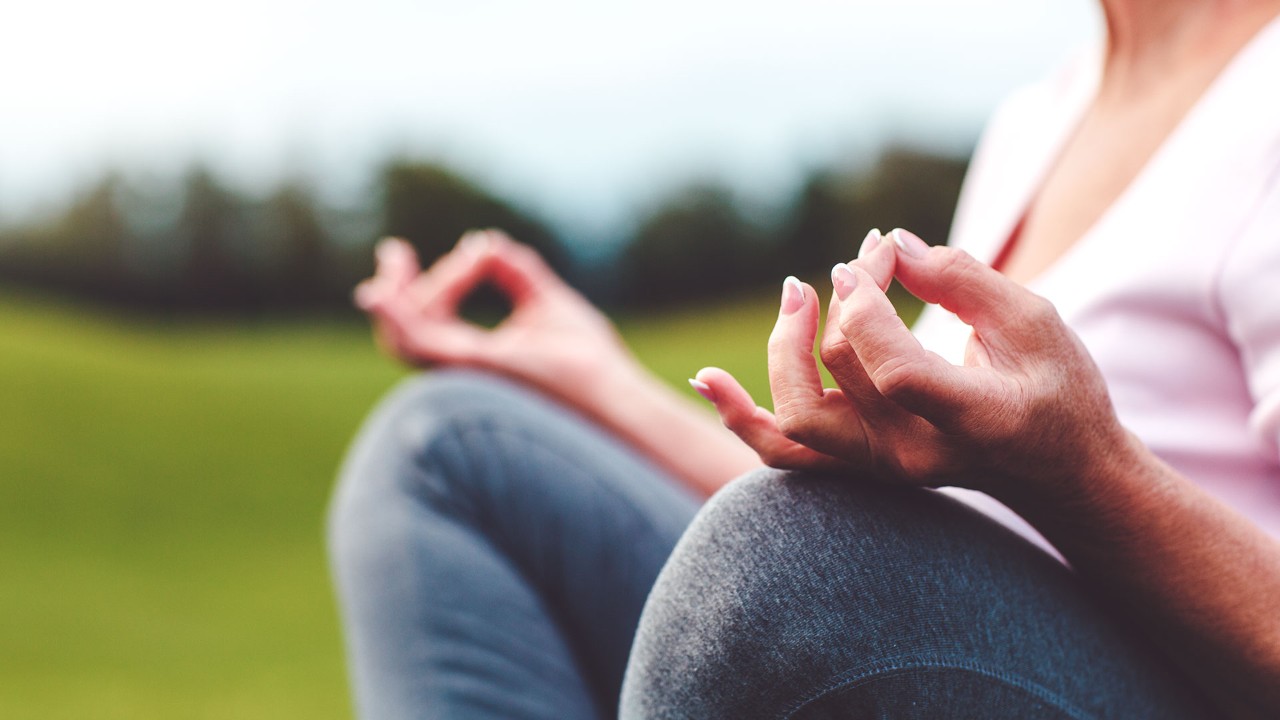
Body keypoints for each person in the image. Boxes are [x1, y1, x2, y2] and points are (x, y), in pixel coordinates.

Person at [328, 0, 1280, 717]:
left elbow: (855, 566)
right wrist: (598, 382)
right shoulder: (1046, 117)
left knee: (782, 565)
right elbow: (913, 525)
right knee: (448, 449)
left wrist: (1086, 473)